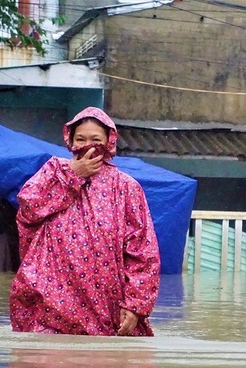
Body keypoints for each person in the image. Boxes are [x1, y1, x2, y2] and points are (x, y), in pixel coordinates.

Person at [10, 107, 161, 336]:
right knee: (47, 366)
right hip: (49, 298)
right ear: (69, 140)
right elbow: (29, 210)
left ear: (109, 142)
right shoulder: (53, 172)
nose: (88, 145)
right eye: (80, 139)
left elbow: (143, 251)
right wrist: (72, 174)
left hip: (106, 304)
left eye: (95, 139)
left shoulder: (126, 188)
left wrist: (136, 305)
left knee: (102, 367)